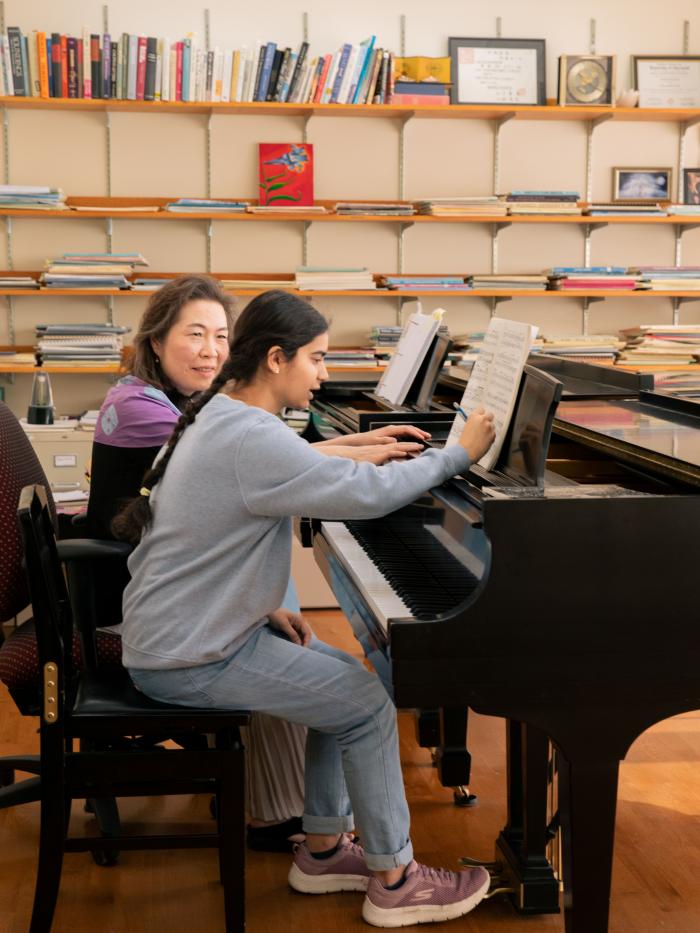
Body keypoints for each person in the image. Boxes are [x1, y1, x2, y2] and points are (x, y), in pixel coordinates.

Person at [113, 289, 496, 927]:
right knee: (367, 704)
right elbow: (366, 495)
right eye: (316, 359)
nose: (323, 374)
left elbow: (238, 511)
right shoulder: (249, 437)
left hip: (185, 632)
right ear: (274, 359)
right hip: (188, 654)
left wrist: (261, 606)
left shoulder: (226, 416)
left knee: (342, 682)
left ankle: (323, 850)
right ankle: (396, 880)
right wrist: (458, 453)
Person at [86, 274, 428, 853]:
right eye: (194, 334)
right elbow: (256, 470)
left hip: (178, 605)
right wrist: (444, 457)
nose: (211, 349)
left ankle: (320, 841)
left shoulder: (207, 413)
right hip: (159, 618)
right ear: (156, 340)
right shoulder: (154, 409)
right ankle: (287, 819)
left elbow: (257, 469)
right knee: (348, 688)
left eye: (220, 335)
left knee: (324, 661)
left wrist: (355, 450)